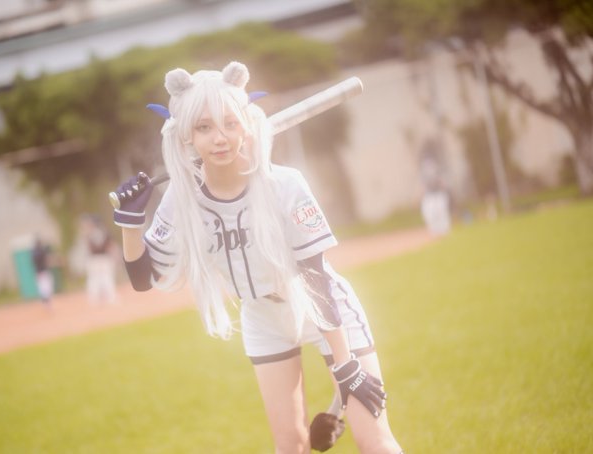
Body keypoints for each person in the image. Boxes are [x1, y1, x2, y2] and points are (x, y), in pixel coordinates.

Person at [112, 62, 403, 453]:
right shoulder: (181, 200)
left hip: (324, 309)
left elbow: (315, 278)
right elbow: (143, 279)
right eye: (204, 127)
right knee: (291, 446)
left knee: (374, 440)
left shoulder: (284, 184)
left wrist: (346, 367)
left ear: (246, 127)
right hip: (262, 318)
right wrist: (130, 223)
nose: (220, 138)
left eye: (230, 124)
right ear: (186, 136)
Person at [83, 215, 118, 305]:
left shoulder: (90, 233)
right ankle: (111, 298)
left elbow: (89, 247)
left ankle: (94, 299)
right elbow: (110, 245)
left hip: (94, 258)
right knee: (107, 278)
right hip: (104, 257)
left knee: (94, 279)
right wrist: (114, 256)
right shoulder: (105, 231)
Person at [31, 237, 53, 307]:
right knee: (46, 287)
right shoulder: (41, 251)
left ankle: (45, 301)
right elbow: (48, 249)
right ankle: (46, 301)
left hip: (38, 272)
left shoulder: (34, 252)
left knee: (42, 288)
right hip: (43, 271)